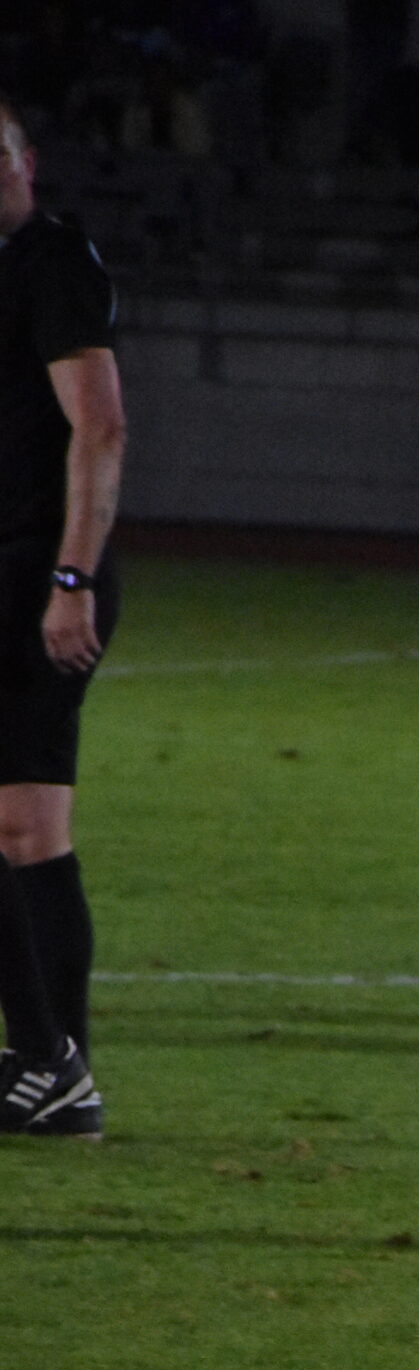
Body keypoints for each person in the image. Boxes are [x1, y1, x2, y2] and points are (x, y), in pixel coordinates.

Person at [0, 94, 122, 1140]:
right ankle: (54, 1066)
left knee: (23, 829)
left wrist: (71, 578)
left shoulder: (50, 265)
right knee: (25, 831)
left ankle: (51, 1058)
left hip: (38, 580)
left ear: (27, 162)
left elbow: (102, 426)